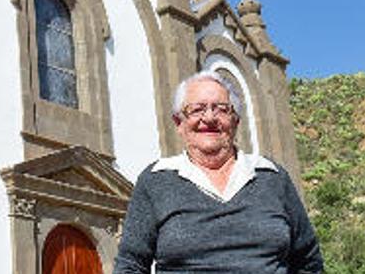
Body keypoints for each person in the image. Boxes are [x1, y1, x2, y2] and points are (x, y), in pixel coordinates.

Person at [114, 71, 323, 273]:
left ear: (235, 121)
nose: (210, 117)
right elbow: (130, 265)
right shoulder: (156, 180)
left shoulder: (272, 177)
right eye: (197, 109)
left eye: (221, 109)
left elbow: (308, 261)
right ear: (179, 123)